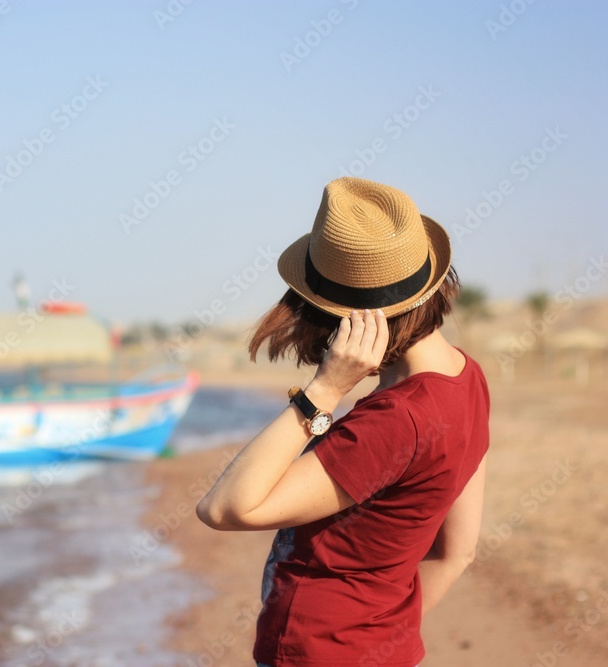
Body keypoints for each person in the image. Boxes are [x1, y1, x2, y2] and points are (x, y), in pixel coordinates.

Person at [196, 177, 489, 667]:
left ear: (350, 320)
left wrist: (325, 390)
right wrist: (378, 639)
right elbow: (457, 554)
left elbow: (225, 509)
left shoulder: (397, 420)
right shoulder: (467, 377)